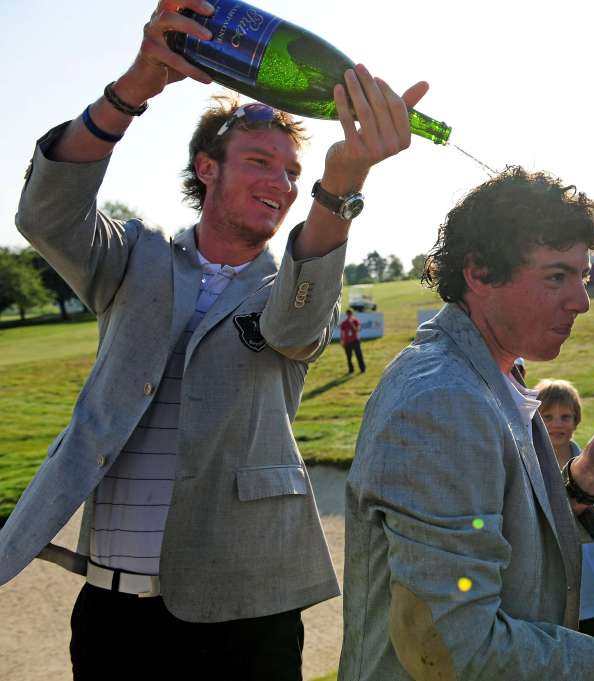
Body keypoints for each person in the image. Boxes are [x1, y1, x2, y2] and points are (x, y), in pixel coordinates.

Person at [0, 2, 430, 679]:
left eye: (292, 173)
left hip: (247, 617)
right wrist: (133, 87)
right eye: (261, 161)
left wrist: (341, 183)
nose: (282, 184)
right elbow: (45, 211)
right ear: (207, 169)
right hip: (115, 616)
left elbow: (293, 330)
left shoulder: (295, 280)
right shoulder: (131, 260)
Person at [341, 166, 594, 681]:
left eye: (583, 276)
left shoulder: (495, 372)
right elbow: (452, 647)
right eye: (556, 276)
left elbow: (500, 534)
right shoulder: (442, 402)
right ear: (480, 272)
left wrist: (580, 484)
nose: (582, 300)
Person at [536, 378, 594, 643]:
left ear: (576, 419)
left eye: (565, 416)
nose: (556, 423)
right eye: (547, 417)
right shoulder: (527, 468)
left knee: (593, 661)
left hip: (588, 592)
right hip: (543, 591)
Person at [340, 307, 366, 373]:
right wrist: (342, 341)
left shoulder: (355, 321)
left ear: (352, 314)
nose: (349, 315)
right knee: (349, 357)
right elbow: (342, 333)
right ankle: (351, 370)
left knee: (359, 355)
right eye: (348, 314)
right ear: (346, 315)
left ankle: (362, 369)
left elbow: (358, 330)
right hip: (347, 342)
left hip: (355, 341)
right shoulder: (344, 323)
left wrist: (352, 324)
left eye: (350, 314)